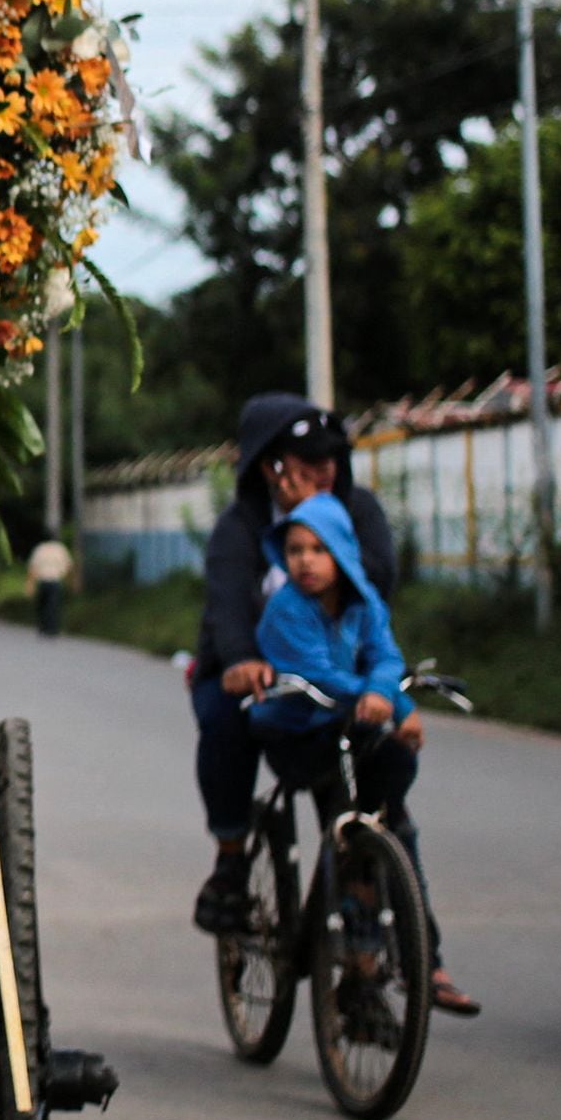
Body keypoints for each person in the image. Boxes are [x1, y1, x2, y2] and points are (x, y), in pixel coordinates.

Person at [248, 495, 476, 1015]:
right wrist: (381, 697)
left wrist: (393, 698)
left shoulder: (366, 601)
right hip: (300, 735)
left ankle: (415, 958)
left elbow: (386, 657)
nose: (305, 561)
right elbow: (317, 673)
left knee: (392, 816)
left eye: (318, 549)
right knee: (354, 819)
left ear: (343, 552)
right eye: (295, 550)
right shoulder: (286, 610)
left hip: (352, 733)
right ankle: (366, 957)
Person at [190, 395, 398, 938]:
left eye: (329, 460)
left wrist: (321, 520)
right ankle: (231, 860)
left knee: (381, 781)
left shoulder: (357, 510)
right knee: (225, 720)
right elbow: (227, 604)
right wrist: (241, 659)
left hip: (338, 674)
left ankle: (414, 950)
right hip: (255, 671)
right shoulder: (240, 526)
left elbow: (377, 584)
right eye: (306, 462)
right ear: (270, 467)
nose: (322, 472)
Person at [26, 536, 74, 637]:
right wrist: (69, 579)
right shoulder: (60, 549)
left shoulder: (40, 549)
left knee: (43, 605)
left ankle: (44, 627)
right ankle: (52, 628)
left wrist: (30, 583)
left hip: (43, 581)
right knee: (53, 606)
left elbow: (33, 567)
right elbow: (69, 565)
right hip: (55, 581)